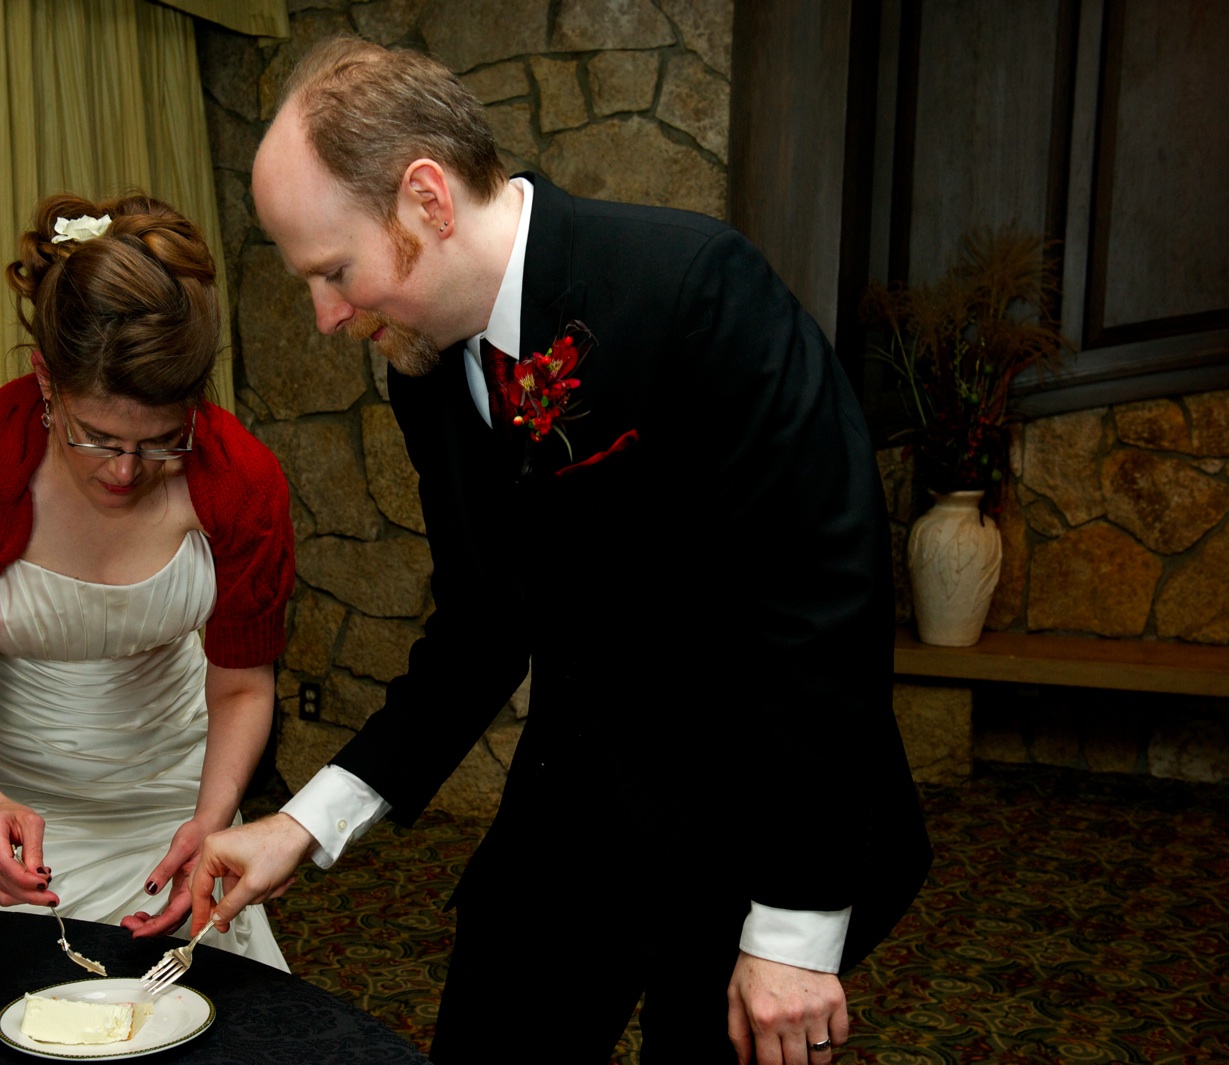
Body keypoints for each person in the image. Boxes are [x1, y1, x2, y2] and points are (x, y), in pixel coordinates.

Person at [189, 37, 933, 1059]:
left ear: (425, 200)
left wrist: (796, 929)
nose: (323, 316)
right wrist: (305, 821)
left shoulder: (692, 287)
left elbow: (823, 606)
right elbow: (483, 623)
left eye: (333, 271)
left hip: (758, 817)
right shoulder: (423, 369)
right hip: (574, 814)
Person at [0, 192, 293, 971]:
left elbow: (243, 686)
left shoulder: (242, 480)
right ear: (46, 378)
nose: (123, 470)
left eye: (160, 442)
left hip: (163, 791)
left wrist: (211, 818)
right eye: (98, 436)